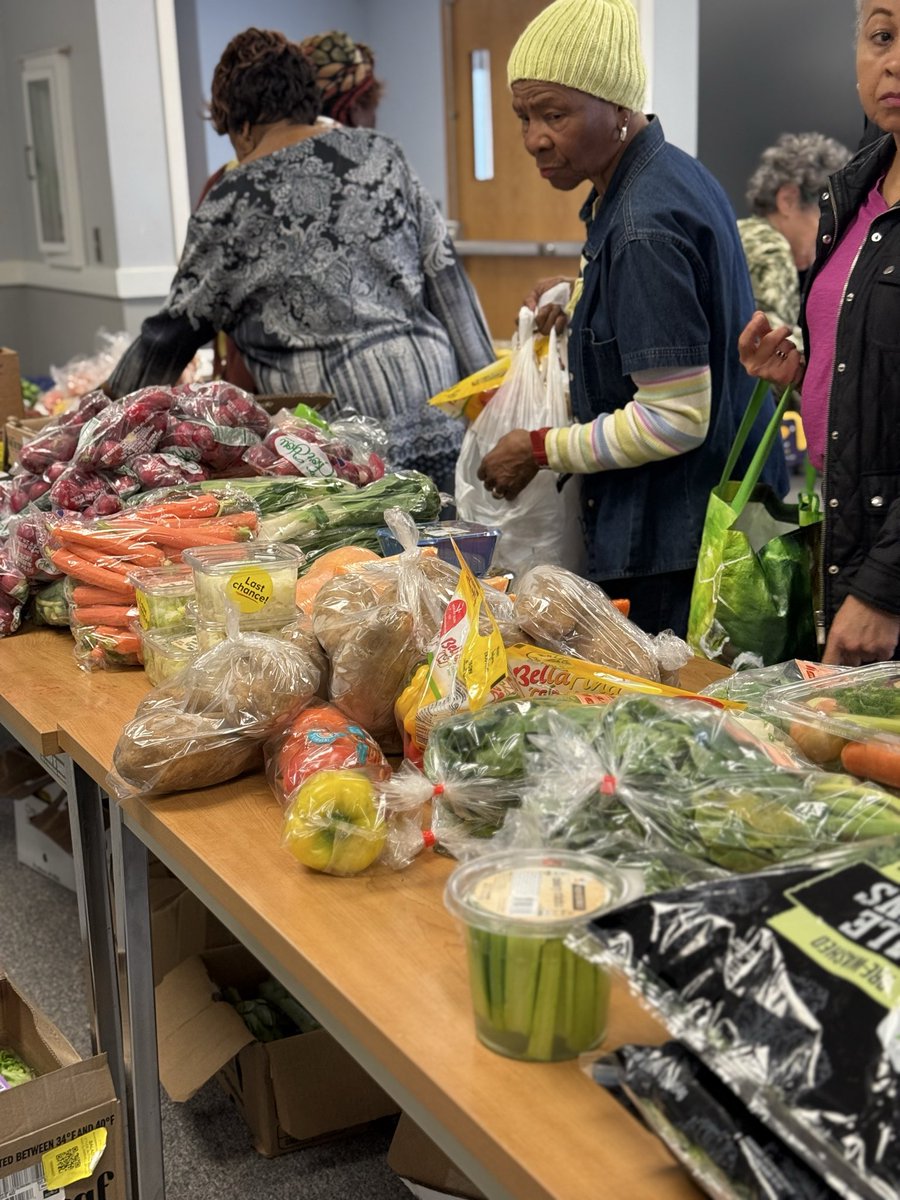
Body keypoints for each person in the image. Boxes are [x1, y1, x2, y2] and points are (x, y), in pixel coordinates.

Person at [477, 0, 788, 637]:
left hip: (674, 551)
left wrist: (538, 450)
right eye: (524, 116)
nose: (534, 137)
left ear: (618, 107)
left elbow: (673, 420)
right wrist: (586, 296)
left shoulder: (643, 225)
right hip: (713, 529)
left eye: (555, 114)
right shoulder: (669, 176)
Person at [106, 28, 493, 493]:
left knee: (361, 558)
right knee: (440, 550)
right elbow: (447, 281)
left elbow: (174, 330)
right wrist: (489, 395)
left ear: (241, 123)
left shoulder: (233, 198)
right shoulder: (381, 154)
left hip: (335, 431)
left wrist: (104, 418)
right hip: (432, 401)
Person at [738, 0, 900, 666]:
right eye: (882, 34)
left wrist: (887, 589)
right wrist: (805, 375)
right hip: (849, 543)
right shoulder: (855, 194)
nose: (894, 60)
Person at [738, 132, 851, 343]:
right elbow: (772, 336)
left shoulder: (743, 235)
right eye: (826, 219)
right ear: (788, 200)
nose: (833, 235)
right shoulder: (767, 246)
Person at [298, 30, 383, 128]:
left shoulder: (282, 138)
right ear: (356, 107)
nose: (374, 118)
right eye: (373, 109)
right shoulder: (375, 142)